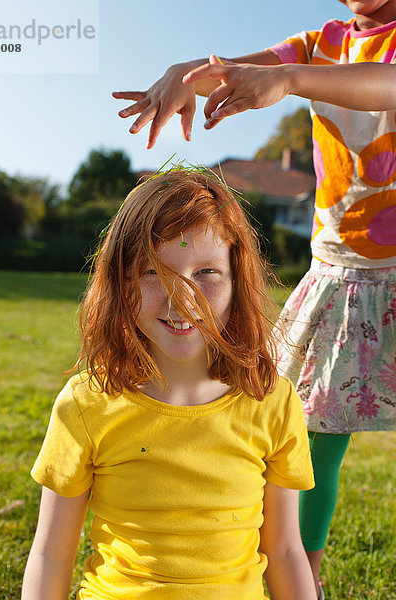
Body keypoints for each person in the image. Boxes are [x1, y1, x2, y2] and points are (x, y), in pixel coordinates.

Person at [112, 2, 396, 599]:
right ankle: (304, 584)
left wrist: (291, 80)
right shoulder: (325, 41)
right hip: (340, 271)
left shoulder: (323, 61)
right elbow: (240, 69)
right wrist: (188, 74)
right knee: (309, 438)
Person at [21, 168, 317, 600]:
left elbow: (286, 549)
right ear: (122, 283)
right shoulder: (85, 405)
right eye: (154, 272)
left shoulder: (274, 402)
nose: (182, 298)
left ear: (237, 282)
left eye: (207, 273)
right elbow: (51, 554)